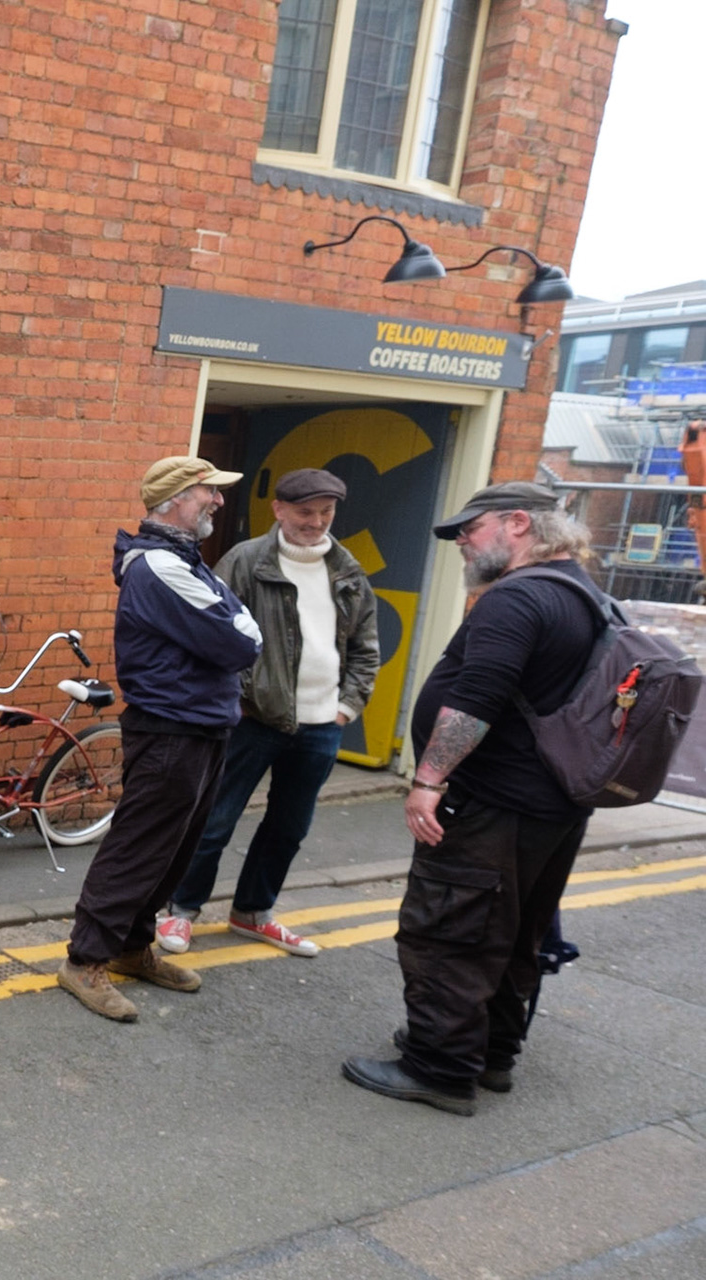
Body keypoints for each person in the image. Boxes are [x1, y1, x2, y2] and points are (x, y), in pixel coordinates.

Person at [342, 482, 600, 1116]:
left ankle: (439, 1068)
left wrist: (428, 781)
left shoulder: (517, 597)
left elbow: (479, 695)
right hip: (550, 805)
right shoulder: (582, 593)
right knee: (515, 933)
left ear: (519, 523)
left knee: (450, 932)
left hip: (494, 803)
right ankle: (491, 1055)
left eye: (472, 527)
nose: (461, 539)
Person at [57, 457, 263, 1021]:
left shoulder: (187, 562)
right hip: (172, 728)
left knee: (174, 850)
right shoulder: (160, 567)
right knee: (139, 848)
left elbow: (239, 625)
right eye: (207, 492)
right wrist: (239, 624)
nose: (218, 501)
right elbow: (243, 640)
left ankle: (130, 947)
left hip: (203, 724)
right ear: (173, 500)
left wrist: (238, 622)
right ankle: (84, 961)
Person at [156, 468, 380, 957]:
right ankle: (180, 909)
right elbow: (212, 635)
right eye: (305, 512)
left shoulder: (347, 569)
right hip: (252, 720)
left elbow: (365, 648)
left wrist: (346, 708)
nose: (315, 522)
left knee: (289, 828)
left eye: (326, 512)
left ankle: (253, 913)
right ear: (278, 510)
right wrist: (237, 699)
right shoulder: (245, 561)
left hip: (322, 725)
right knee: (215, 820)